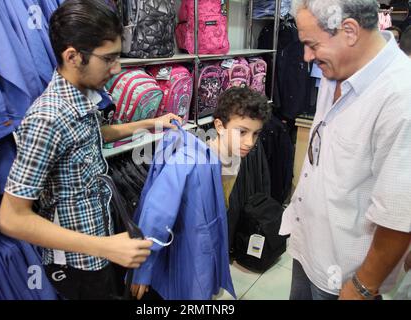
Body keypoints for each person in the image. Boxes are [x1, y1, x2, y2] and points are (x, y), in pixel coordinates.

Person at [0, 0, 182, 300]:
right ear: (72, 56)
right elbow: (11, 218)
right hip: (77, 263)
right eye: (108, 59)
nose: (117, 67)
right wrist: (106, 247)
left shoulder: (82, 96)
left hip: (99, 244)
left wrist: (148, 123)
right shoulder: (47, 118)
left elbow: (90, 136)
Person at [280, 0, 411, 300]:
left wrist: (362, 287)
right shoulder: (340, 66)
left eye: (312, 44)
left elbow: (400, 215)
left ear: (349, 31)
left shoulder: (401, 97)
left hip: (348, 275)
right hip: (308, 248)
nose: (306, 56)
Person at [130, 87, 272, 299]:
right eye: (242, 132)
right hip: (183, 248)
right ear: (219, 126)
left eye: (255, 134)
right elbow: (155, 214)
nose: (250, 142)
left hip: (205, 243)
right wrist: (142, 270)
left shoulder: (234, 157)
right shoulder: (189, 161)